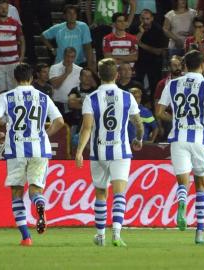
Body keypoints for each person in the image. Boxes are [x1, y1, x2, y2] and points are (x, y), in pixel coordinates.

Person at [156, 50, 204, 244]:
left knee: (183, 182)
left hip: (178, 138)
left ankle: (182, 199)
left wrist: (175, 119)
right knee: (201, 185)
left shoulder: (171, 84)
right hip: (199, 138)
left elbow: (159, 111)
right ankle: (199, 232)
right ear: (203, 65)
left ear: (185, 65)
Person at [0, 63, 64, 246]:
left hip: (16, 150)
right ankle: (39, 202)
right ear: (31, 78)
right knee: (36, 189)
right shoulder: (43, 97)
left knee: (16, 192)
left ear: (15, 78)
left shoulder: (6, 97)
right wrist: (45, 134)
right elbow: (60, 121)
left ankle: (26, 237)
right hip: (39, 149)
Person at [75, 58, 144, 247]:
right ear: (117, 75)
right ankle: (116, 233)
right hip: (120, 151)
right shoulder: (127, 97)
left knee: (100, 193)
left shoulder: (91, 98)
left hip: (99, 153)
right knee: (119, 193)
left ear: (98, 74)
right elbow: (138, 123)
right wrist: (138, 138)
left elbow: (86, 128)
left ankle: (100, 235)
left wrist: (79, 151)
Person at [41, 4, 94, 71]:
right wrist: (52, 49)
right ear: (64, 16)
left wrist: (90, 65)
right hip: (61, 63)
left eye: (74, 13)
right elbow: (43, 36)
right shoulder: (58, 28)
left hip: (79, 63)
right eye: (69, 13)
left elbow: (88, 47)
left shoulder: (83, 26)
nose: (72, 16)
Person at [133, 9, 167, 100]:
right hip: (139, 60)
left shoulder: (158, 29)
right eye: (143, 19)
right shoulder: (135, 27)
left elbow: (159, 51)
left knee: (155, 86)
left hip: (154, 61)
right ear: (140, 18)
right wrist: (141, 32)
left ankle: (154, 107)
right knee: (136, 85)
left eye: (147, 19)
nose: (145, 21)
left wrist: (142, 45)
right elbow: (132, 43)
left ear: (152, 18)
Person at [49, 47, 82, 119]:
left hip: (73, 106)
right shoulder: (54, 68)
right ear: (63, 55)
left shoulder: (80, 70)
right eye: (68, 56)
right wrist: (66, 73)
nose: (69, 59)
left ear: (75, 57)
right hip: (58, 104)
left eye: (72, 57)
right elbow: (55, 85)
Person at [68, 67, 95, 135]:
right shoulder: (75, 90)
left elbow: (97, 107)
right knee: (74, 144)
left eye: (89, 76)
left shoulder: (96, 91)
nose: (87, 78)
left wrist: (79, 101)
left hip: (92, 124)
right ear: (80, 78)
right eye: (85, 75)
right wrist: (89, 104)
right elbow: (71, 104)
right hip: (76, 123)